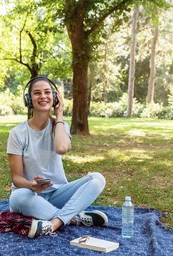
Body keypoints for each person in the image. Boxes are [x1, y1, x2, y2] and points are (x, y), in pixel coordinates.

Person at [7, 76, 108, 238]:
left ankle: (54, 223)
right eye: (37, 93)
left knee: (97, 178)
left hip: (58, 194)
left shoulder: (60, 126)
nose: (43, 96)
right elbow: (16, 177)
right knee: (17, 196)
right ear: (29, 99)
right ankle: (75, 218)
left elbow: (61, 148)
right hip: (31, 197)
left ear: (54, 98)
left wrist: (59, 115)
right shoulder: (17, 133)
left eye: (47, 92)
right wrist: (31, 185)